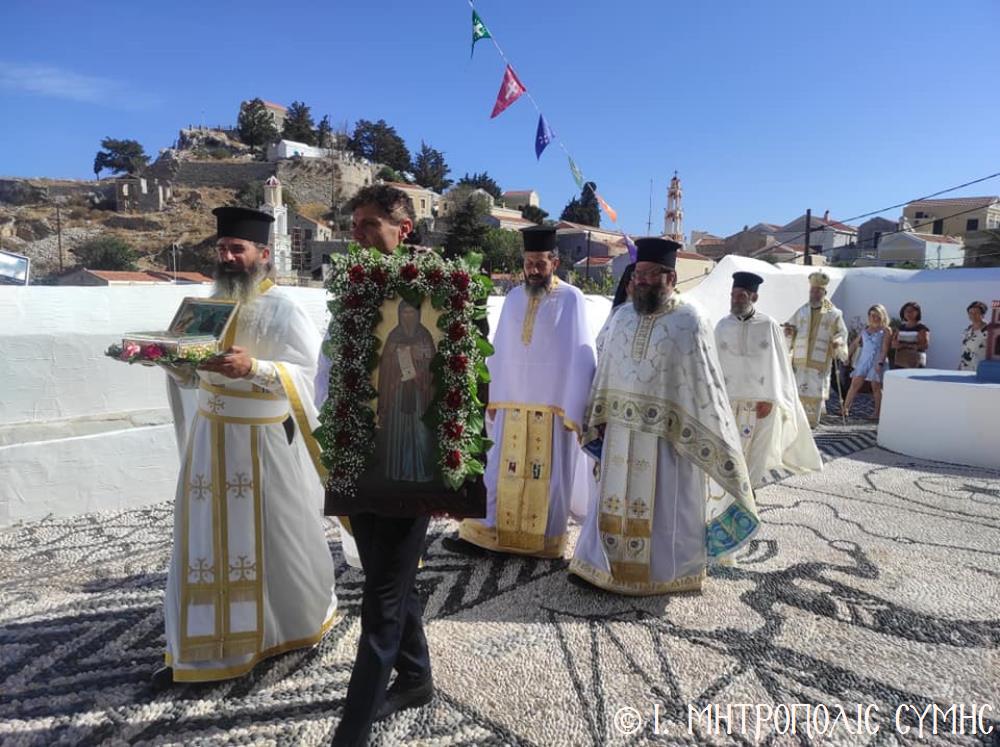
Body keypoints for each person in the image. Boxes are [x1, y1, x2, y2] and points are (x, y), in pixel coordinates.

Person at [319, 185, 480, 747]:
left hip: (412, 463)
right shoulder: (353, 289)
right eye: (355, 224)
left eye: (369, 225)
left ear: (402, 229)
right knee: (393, 577)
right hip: (359, 454)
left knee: (382, 597)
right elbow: (335, 365)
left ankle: (351, 732)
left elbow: (459, 375)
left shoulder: (439, 289)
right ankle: (415, 678)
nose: (358, 234)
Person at [155, 206, 338, 688]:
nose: (228, 257)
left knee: (274, 536)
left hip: (261, 443)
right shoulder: (206, 306)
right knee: (202, 540)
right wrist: (168, 359)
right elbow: (191, 371)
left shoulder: (285, 308)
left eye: (238, 249)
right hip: (210, 440)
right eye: (222, 249)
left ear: (262, 254)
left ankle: (289, 626)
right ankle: (196, 645)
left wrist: (254, 368)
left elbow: (314, 376)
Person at [569, 238, 759, 595]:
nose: (639, 280)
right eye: (637, 273)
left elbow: (705, 383)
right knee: (610, 500)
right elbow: (606, 364)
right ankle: (598, 566)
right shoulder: (623, 316)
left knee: (667, 506)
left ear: (669, 277)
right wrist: (601, 414)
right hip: (622, 431)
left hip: (668, 437)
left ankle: (668, 573)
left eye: (648, 274)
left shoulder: (691, 319)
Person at [448, 225, 596, 559]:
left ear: (554, 263)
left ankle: (544, 543)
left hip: (553, 409)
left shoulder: (571, 298)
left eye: (540, 263)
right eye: (528, 262)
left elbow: (581, 353)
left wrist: (574, 405)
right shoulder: (514, 298)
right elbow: (500, 349)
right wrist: (492, 394)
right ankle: (488, 535)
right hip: (512, 404)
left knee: (550, 479)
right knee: (500, 471)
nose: (533, 270)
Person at [714, 271, 822, 488]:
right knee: (728, 446)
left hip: (761, 401)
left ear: (754, 297)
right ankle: (727, 489)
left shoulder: (768, 324)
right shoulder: (722, 325)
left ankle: (749, 489)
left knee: (756, 449)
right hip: (728, 398)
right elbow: (714, 363)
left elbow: (779, 365)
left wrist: (771, 398)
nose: (735, 299)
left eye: (741, 295)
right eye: (733, 295)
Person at [376, 299, 437, 482]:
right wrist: (398, 357)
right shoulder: (394, 336)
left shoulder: (424, 335)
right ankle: (397, 472)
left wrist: (419, 362)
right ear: (399, 315)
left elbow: (433, 364)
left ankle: (421, 472)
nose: (408, 316)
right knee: (397, 433)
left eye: (412, 312)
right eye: (405, 313)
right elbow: (385, 365)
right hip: (398, 392)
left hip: (419, 393)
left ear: (418, 315)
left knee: (421, 431)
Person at [783, 271, 848, 428]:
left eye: (818, 291)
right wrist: (789, 331)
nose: (815, 293)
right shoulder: (802, 310)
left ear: (824, 292)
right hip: (801, 357)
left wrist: (837, 342)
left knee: (816, 391)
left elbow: (842, 332)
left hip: (820, 358)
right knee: (799, 389)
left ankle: (812, 422)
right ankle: (798, 419)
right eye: (812, 290)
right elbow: (791, 326)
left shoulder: (833, 313)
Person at [842, 304, 891, 419]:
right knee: (854, 384)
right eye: (872, 315)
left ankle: (877, 412)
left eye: (877, 315)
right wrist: (847, 356)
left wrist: (880, 363)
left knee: (876, 387)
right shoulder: (865, 329)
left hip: (877, 360)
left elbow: (885, 348)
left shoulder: (885, 330)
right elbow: (855, 344)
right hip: (864, 360)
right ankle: (845, 409)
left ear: (882, 316)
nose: (874, 318)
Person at [891, 301, 930, 369]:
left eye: (911, 311)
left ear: (917, 312)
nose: (908, 313)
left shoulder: (921, 328)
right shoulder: (900, 328)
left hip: (916, 361)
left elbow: (925, 345)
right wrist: (896, 345)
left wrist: (906, 346)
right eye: (906, 311)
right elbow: (893, 343)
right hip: (900, 361)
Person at [958, 300, 989, 371]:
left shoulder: (990, 330)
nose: (973, 315)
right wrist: (959, 367)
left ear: (983, 314)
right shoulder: (967, 330)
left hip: (981, 369)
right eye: (970, 313)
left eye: (976, 313)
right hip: (965, 368)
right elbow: (965, 350)